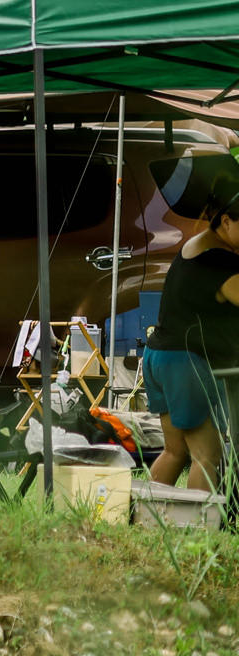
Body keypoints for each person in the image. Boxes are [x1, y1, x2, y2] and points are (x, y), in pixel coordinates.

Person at [145, 152, 239, 489]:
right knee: (207, 455)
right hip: (184, 363)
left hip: (158, 356)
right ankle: (195, 533)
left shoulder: (197, 245)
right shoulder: (220, 265)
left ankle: (146, 523)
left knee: (174, 451)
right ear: (226, 221)